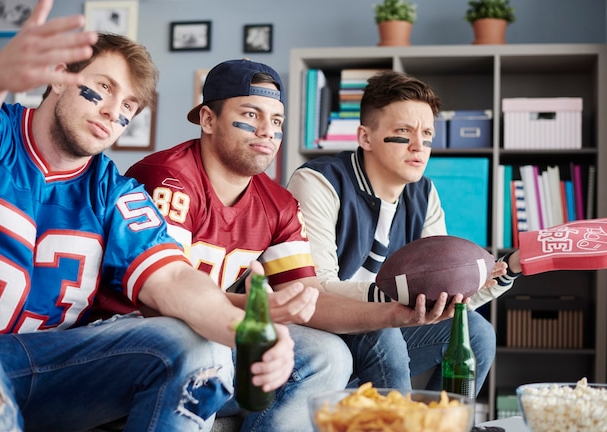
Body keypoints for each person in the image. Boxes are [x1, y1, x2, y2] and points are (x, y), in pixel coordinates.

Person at [123, 59, 490, 431]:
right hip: (147, 330)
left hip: (226, 327)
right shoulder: (168, 180)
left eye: (278, 121)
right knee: (328, 351)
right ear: (207, 119)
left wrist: (399, 313)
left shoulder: (277, 204)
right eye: (251, 114)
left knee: (456, 332)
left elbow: (311, 297)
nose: (268, 131)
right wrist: (262, 312)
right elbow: (165, 292)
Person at [0, 2, 294, 431]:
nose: (114, 112)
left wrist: (246, 330)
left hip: (57, 361)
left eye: (129, 105)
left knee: (199, 349)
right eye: (102, 88)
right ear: (57, 77)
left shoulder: (116, 191)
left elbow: (173, 280)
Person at [287, 70, 523, 394]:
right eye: (403, 131)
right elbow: (318, 288)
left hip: (385, 320)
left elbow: (444, 293)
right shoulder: (319, 182)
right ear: (365, 137)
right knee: (383, 328)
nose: (419, 146)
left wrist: (508, 268)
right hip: (325, 325)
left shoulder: (424, 194)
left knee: (475, 332)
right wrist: (393, 303)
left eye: (427, 133)